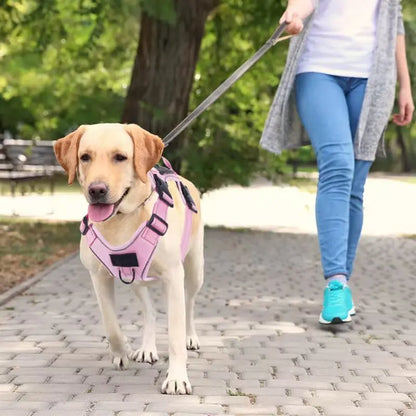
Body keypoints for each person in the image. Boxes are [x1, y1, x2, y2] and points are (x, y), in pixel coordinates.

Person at [260, 0, 414, 324]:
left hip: (373, 79)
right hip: (318, 70)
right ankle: (335, 284)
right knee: (338, 165)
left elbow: (393, 21)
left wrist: (405, 86)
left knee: (355, 184)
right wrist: (294, 16)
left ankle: (342, 285)